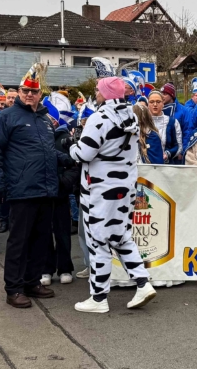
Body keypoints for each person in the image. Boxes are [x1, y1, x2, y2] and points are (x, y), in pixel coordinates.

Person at [69, 76, 157, 313]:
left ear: (106, 93)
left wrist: (72, 146)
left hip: (100, 188)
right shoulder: (131, 115)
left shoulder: (99, 118)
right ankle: (143, 283)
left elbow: (84, 153)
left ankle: (98, 298)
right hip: (125, 186)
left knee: (98, 241)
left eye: (98, 90)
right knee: (121, 236)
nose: (96, 93)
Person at [0, 63, 60, 309]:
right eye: (25, 90)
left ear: (40, 94)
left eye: (34, 91)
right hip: (20, 190)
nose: (29, 94)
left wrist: (71, 158)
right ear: (19, 92)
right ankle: (14, 288)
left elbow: (49, 153)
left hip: (45, 189)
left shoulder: (45, 120)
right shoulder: (7, 117)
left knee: (41, 239)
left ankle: (31, 281)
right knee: (19, 241)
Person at [42, 92, 77, 285]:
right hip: (42, 192)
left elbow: (74, 165)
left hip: (61, 192)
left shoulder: (65, 138)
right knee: (44, 232)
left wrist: (64, 182)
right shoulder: (37, 136)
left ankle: (65, 268)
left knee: (63, 232)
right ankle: (46, 269)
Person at [147, 91, 180, 162]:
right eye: (151, 102)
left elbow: (178, 146)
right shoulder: (142, 122)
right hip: (146, 164)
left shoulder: (172, 122)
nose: (155, 104)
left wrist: (167, 154)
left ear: (163, 103)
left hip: (166, 165)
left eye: (158, 102)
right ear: (148, 104)